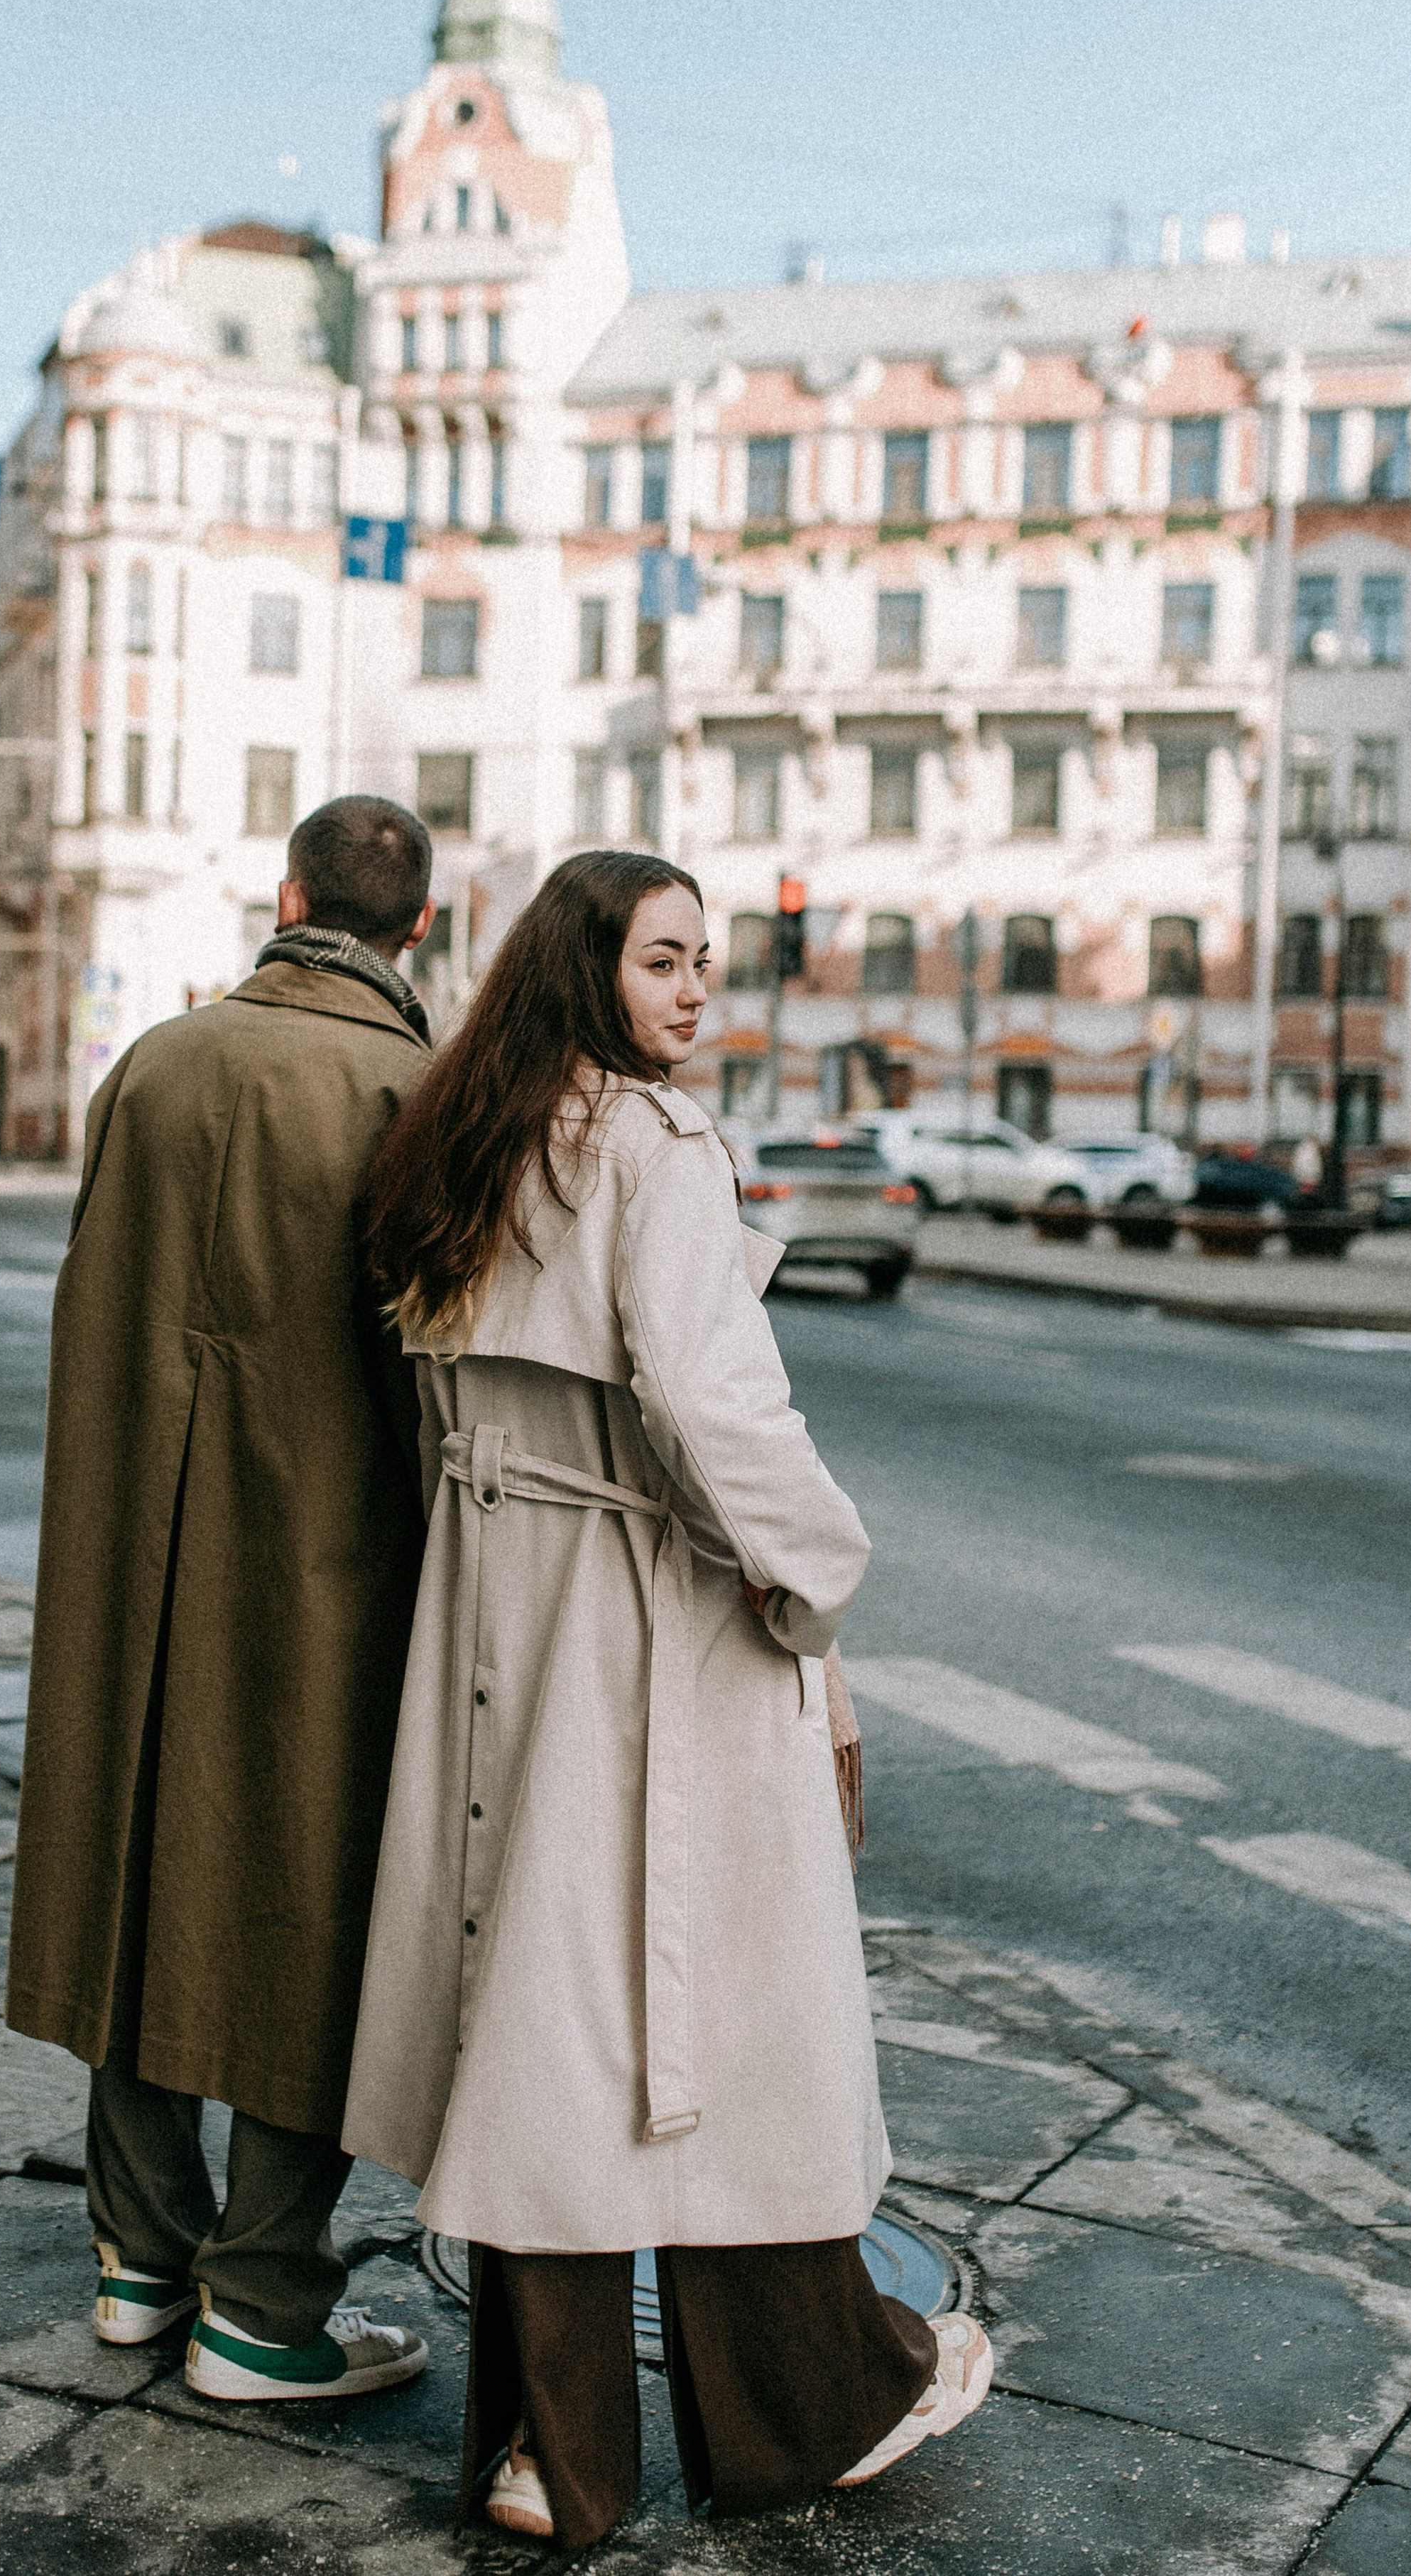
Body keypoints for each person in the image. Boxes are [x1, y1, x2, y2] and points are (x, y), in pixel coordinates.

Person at [344, 850, 992, 2545]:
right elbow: (714, 1410)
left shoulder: (465, 1138)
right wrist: (815, 1577)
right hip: (648, 1624)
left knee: (546, 2021)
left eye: (708, 959)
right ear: (585, 971)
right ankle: (800, 2396)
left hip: (501, 1611)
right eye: (660, 960)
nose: (696, 989)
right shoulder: (653, 1145)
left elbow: (440, 1407)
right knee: (718, 2023)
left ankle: (549, 2448)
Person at [7, 795, 439, 2406]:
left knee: (129, 1864)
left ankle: (137, 2260)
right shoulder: (409, 1087)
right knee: (300, 1904)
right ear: (416, 930)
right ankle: (261, 2304)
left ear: (285, 896)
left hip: (129, 1546)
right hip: (325, 1564)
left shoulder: (156, 1065)